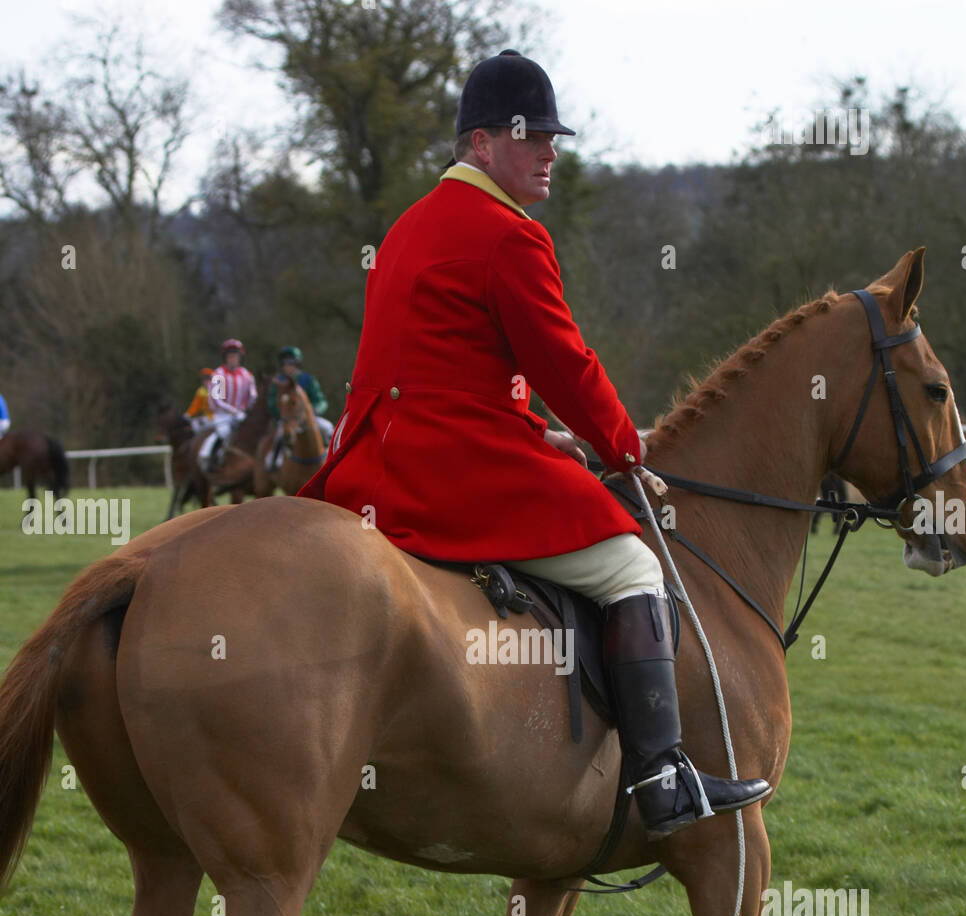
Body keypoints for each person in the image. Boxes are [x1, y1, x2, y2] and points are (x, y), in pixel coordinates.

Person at [298, 51, 769, 839]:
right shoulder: (508, 236)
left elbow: (432, 371)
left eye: (553, 136)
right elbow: (566, 364)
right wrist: (623, 448)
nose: (550, 150)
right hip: (452, 475)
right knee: (633, 565)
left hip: (376, 465)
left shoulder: (409, 226)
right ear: (480, 144)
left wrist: (538, 433)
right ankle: (658, 776)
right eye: (532, 136)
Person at [265, 346, 334, 469]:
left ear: (297, 364)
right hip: (288, 420)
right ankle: (275, 461)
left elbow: (321, 401)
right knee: (280, 435)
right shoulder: (278, 382)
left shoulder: (308, 380)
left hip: (308, 419)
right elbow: (272, 403)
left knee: (328, 428)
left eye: (291, 363)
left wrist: (315, 410)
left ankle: (333, 459)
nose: (288, 366)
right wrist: (282, 416)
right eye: (285, 363)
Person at [200, 339, 257, 471]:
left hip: (242, 415)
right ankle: (213, 458)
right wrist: (232, 410)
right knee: (224, 432)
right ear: (225, 358)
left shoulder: (246, 375)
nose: (233, 359)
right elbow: (216, 400)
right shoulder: (218, 375)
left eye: (235, 356)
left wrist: (248, 408)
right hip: (223, 415)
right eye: (230, 356)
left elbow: (253, 396)